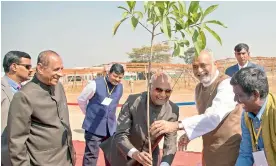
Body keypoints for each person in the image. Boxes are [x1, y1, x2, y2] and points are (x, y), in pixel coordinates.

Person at [150, 49, 243, 166]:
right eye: (195, 66)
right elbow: (203, 117)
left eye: (203, 65)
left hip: (229, 149)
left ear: (215, 65)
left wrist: (176, 125)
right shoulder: (199, 88)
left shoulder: (227, 84)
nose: (199, 70)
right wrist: (190, 133)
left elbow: (213, 116)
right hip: (209, 149)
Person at [7, 50, 75, 166]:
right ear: (40, 68)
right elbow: (16, 143)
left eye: (61, 69)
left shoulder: (58, 87)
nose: (61, 73)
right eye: (56, 69)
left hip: (66, 159)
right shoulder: (24, 96)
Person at [100, 72, 179, 166]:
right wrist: (135, 154)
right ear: (150, 87)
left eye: (168, 91)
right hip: (120, 154)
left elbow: (171, 143)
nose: (163, 95)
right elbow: (120, 134)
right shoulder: (133, 101)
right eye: (159, 90)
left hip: (149, 156)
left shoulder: (173, 110)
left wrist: (165, 164)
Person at [77, 63, 124, 166]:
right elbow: (81, 100)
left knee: (111, 157)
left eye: (120, 77)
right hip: (94, 128)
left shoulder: (120, 87)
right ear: (109, 73)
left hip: (110, 129)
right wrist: (89, 114)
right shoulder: (94, 84)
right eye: (115, 76)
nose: (117, 79)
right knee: (91, 157)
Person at [232, 67, 276, 166]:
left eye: (239, 95)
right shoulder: (246, 116)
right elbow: (246, 154)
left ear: (255, 94)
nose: (236, 100)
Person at [1, 51, 33, 166]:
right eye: (27, 66)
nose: (31, 70)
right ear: (14, 67)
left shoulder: (26, 90)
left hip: (23, 153)